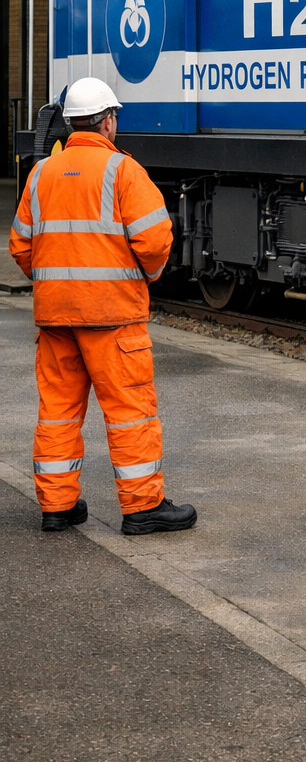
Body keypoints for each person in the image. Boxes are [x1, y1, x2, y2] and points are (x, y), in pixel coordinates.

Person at [9, 77, 196, 536]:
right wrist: (140, 276)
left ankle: (57, 506)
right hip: (113, 318)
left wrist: (54, 282)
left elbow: (20, 245)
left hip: (56, 319)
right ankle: (142, 508)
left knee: (57, 411)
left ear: (71, 123)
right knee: (130, 413)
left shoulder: (42, 173)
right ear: (108, 121)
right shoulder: (123, 171)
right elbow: (155, 240)